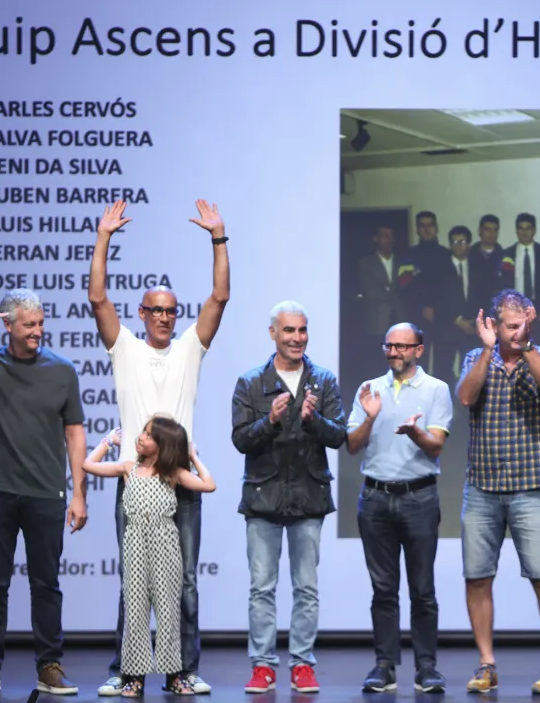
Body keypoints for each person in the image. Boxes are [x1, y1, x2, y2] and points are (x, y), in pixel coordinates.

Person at [90, 199, 229, 696]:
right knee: (135, 583)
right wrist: (103, 236)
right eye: (157, 311)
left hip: (180, 486)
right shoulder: (125, 347)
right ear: (143, 314)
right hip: (137, 484)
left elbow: (219, 297)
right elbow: (98, 300)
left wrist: (218, 237)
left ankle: (181, 671)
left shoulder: (190, 347)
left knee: (184, 584)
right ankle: (127, 672)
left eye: (172, 311)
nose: (165, 318)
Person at [0, 290, 88, 697]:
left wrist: (79, 491)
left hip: (46, 492)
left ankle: (50, 666)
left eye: (40, 323)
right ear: (7, 325)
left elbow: (74, 433)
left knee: (47, 584)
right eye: (28, 324)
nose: (37, 331)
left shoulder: (62, 370)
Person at [455, 288, 540, 695]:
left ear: (530, 319)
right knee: (477, 578)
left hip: (530, 489)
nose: (512, 333)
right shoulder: (476, 358)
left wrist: (527, 348)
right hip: (482, 488)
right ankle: (487, 664)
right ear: (493, 324)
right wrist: (488, 351)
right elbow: (466, 397)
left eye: (519, 325)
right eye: (506, 327)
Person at [231, 301, 346, 694]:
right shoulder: (251, 382)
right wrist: (271, 420)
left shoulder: (324, 379)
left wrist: (313, 421)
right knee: (262, 586)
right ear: (273, 334)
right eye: (289, 331)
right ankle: (262, 665)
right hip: (263, 496)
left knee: (306, 587)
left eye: (302, 330)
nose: (297, 338)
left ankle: (302, 664)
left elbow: (339, 436)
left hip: (308, 495)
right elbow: (240, 439)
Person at [346, 322, 451, 693]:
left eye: (402, 347)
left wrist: (415, 433)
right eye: (389, 346)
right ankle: (384, 667)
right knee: (383, 589)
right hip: (375, 498)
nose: (394, 353)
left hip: (419, 497)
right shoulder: (370, 389)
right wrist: (371, 416)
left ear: (418, 350)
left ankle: (427, 668)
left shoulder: (437, 389)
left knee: (422, 589)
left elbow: (435, 446)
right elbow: (352, 445)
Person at [84, 420, 216, 696]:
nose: (140, 437)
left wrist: (193, 456)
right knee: (135, 612)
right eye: (142, 432)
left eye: (148, 434)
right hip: (135, 546)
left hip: (166, 546)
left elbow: (208, 485)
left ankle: (175, 676)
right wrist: (108, 441)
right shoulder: (128, 468)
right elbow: (88, 465)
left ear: (163, 444)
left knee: (169, 613)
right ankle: (135, 677)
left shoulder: (173, 473)